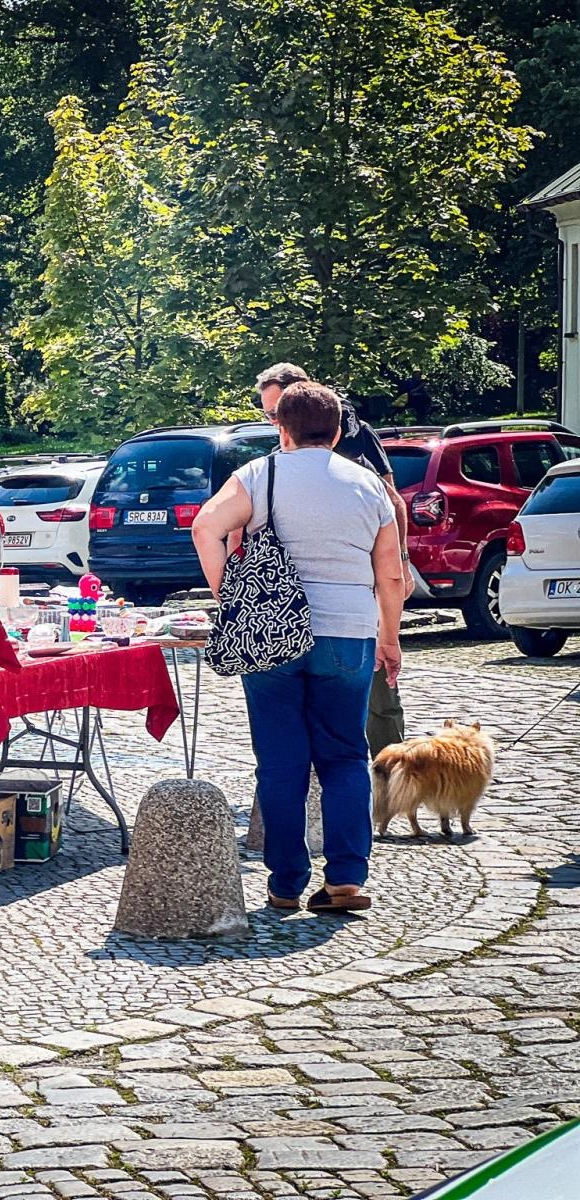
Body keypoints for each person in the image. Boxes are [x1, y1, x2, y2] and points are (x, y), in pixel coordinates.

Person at [193, 380, 407, 913]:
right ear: (337, 431)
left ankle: (285, 883)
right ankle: (347, 881)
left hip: (270, 633)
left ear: (281, 428)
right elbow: (391, 575)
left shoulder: (258, 474)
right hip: (349, 633)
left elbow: (204, 527)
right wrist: (390, 636)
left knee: (281, 762)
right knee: (344, 757)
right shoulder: (367, 485)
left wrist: (231, 595)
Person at [254, 363, 408, 756]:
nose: (273, 423)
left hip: (360, 584)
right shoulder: (278, 456)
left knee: (378, 693)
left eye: (276, 413)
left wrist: (399, 563)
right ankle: (319, 782)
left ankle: (387, 771)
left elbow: (394, 502)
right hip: (294, 599)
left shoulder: (354, 436)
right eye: (268, 415)